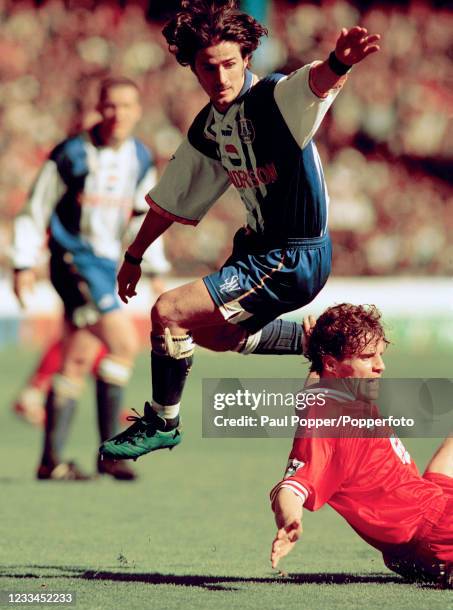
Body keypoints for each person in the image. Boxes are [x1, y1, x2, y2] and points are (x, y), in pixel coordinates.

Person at [99, 0, 380, 462]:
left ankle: (163, 421)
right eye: (209, 67)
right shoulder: (210, 128)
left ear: (247, 59)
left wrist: (340, 62)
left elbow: (313, 84)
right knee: (209, 335)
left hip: (292, 254)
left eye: (230, 64)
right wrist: (134, 254)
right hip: (260, 250)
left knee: (168, 311)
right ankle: (317, 343)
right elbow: (172, 196)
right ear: (193, 67)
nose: (221, 77)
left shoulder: (274, 100)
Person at [11, 76, 159, 481]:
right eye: (110, 105)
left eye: (126, 106)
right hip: (74, 261)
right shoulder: (72, 154)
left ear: (137, 110)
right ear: (99, 107)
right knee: (123, 342)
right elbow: (35, 207)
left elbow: (146, 215)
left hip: (105, 266)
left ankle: (52, 462)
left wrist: (154, 264)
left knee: (76, 359)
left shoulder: (140, 158)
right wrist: (23, 263)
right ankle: (111, 454)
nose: (117, 114)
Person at [270, 303, 453, 588]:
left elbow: (311, 393)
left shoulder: (330, 397)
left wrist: (315, 356)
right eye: (368, 357)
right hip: (431, 526)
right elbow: (292, 486)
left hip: (423, 509)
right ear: (332, 364)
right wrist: (290, 519)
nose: (381, 366)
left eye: (380, 355)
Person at [12, 242, 171, 427]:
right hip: (79, 262)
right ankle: (36, 394)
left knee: (85, 338)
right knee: (118, 341)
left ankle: (39, 397)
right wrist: (24, 264)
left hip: (96, 266)